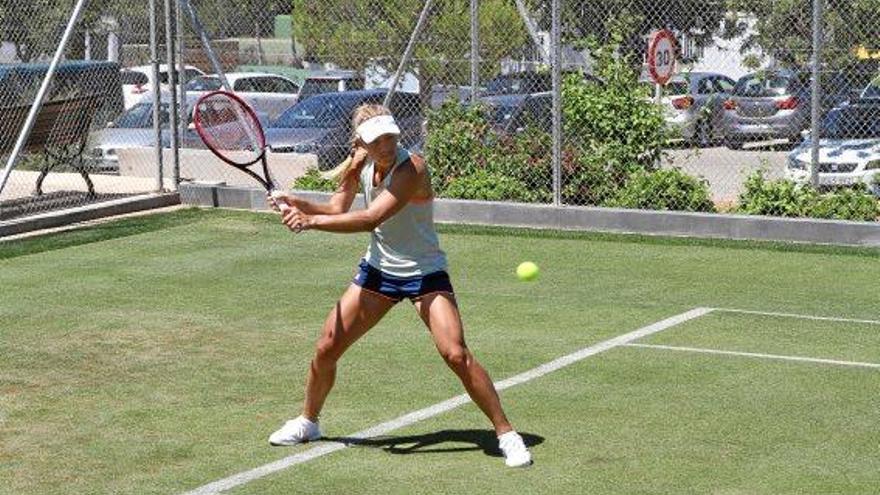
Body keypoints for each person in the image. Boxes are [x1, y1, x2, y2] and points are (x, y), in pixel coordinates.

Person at [267, 103, 532, 468]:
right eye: (378, 139)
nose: (388, 144)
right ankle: (308, 422)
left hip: (424, 273)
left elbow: (369, 218)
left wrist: (308, 222)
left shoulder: (413, 169)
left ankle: (506, 434)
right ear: (362, 140)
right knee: (327, 346)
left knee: (455, 353)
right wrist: (294, 201)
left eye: (391, 135)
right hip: (379, 272)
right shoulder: (359, 163)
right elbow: (338, 206)